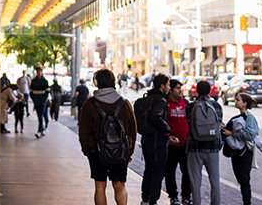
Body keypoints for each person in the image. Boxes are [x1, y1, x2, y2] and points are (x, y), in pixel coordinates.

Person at [78, 68, 137, 205]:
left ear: (96, 82)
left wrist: (87, 149)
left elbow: (84, 130)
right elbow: (132, 130)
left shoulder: (90, 104)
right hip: (120, 151)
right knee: (120, 185)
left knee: (100, 186)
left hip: (97, 151)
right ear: (113, 82)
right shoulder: (125, 103)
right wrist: (129, 151)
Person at [185, 80, 224, 205]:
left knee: (195, 182)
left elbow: (189, 123)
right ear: (209, 91)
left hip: (195, 147)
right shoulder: (216, 106)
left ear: (196, 91)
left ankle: (197, 203)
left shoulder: (190, 107)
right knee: (215, 180)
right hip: (213, 146)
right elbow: (219, 122)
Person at [223, 93, 260, 205]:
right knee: (240, 179)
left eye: (238, 100)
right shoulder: (236, 118)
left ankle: (247, 202)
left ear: (244, 104)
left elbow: (250, 134)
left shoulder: (250, 118)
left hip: (245, 153)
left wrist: (233, 134)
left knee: (244, 179)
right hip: (236, 152)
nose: (235, 101)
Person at [140, 73, 171, 205]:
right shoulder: (161, 100)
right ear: (162, 86)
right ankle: (153, 200)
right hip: (157, 142)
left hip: (146, 140)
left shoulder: (148, 97)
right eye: (168, 85)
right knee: (158, 172)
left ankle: (145, 198)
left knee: (149, 169)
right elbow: (156, 116)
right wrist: (167, 129)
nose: (169, 88)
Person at [164, 79, 191, 205]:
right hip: (171, 145)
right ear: (170, 90)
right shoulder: (165, 104)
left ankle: (186, 196)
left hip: (185, 144)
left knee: (187, 171)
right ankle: (173, 196)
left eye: (181, 87)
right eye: (177, 88)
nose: (180, 90)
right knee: (170, 171)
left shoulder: (185, 103)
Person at [30, 65, 51, 138]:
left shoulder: (45, 82)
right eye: (37, 72)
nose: (38, 73)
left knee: (41, 117)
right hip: (37, 102)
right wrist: (34, 100)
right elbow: (31, 92)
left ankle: (39, 131)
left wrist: (44, 100)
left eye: (39, 71)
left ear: (42, 72)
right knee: (41, 116)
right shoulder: (34, 82)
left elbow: (47, 92)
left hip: (42, 102)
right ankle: (42, 130)